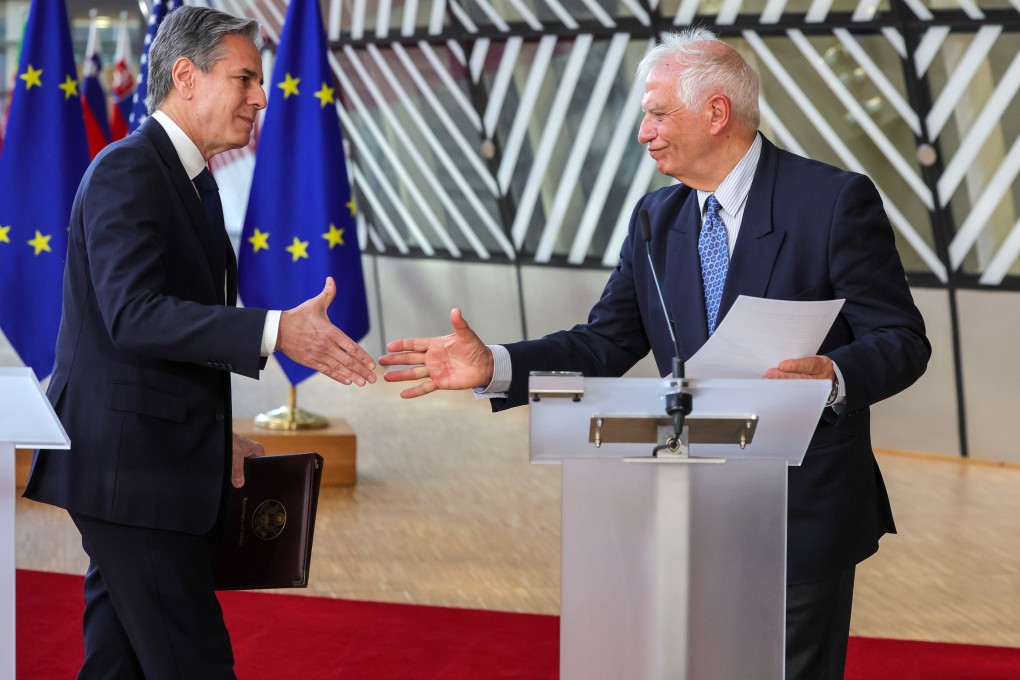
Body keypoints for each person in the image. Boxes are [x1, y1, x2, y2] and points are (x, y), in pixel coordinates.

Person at [379, 28, 930, 680]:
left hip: (797, 508)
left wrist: (832, 375)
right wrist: (496, 365)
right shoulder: (654, 219)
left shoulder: (832, 201)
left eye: (658, 112)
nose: (644, 131)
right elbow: (605, 342)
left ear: (716, 112)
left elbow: (901, 340)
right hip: (682, 505)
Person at [23, 7, 377, 678]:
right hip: (130, 478)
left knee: (117, 665)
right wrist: (276, 328)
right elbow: (136, 316)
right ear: (186, 76)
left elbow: (166, 338)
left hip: (139, 470)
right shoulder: (129, 171)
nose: (261, 96)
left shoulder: (190, 180)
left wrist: (212, 438)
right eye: (244, 78)